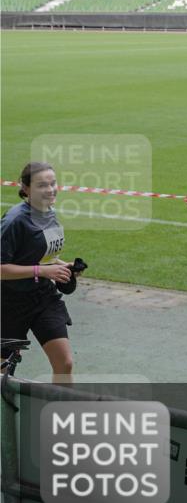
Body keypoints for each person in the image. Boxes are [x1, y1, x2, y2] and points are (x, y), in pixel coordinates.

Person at [1, 162, 78, 380]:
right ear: (25, 188)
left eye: (53, 183)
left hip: (43, 297)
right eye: (42, 185)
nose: (51, 189)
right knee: (2, 370)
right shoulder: (14, 221)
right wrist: (42, 272)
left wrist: (62, 266)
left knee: (65, 363)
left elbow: (44, 257)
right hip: (9, 303)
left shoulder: (49, 213)